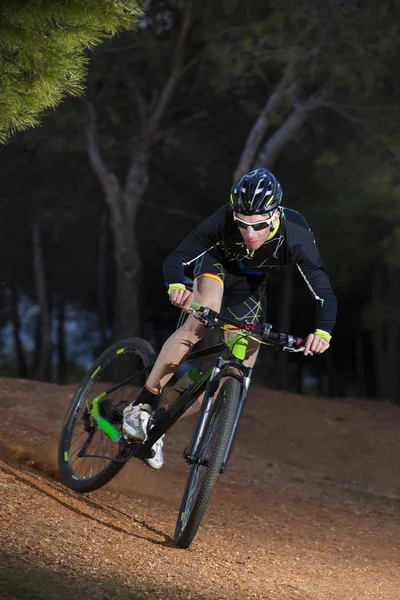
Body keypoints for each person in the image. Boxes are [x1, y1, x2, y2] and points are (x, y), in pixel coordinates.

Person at [123, 168, 337, 469]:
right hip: (216, 267)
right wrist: (177, 286)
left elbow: (324, 293)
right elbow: (177, 258)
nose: (250, 234)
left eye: (259, 226)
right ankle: (141, 406)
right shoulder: (223, 219)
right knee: (200, 320)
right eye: (243, 224)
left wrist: (323, 332)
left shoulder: (297, 235)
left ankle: (158, 424)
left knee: (232, 375)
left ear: (275, 215)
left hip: (249, 290)